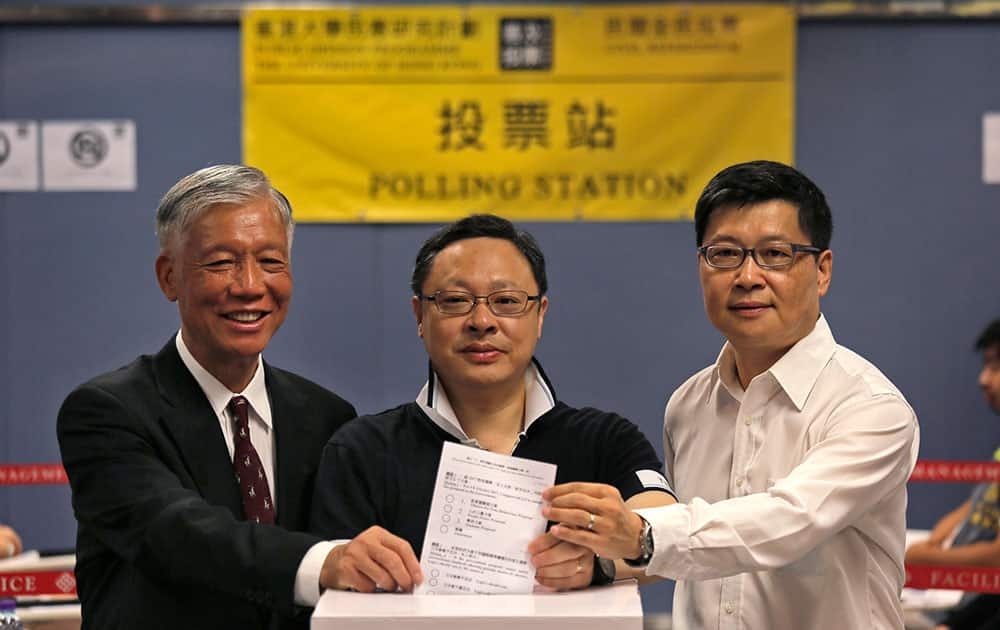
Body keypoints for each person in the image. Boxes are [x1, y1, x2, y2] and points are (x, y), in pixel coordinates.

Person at [543, 160, 920, 629]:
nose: (747, 276)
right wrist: (595, 560)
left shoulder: (870, 409)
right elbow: (690, 555)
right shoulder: (688, 404)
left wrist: (641, 533)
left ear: (822, 271)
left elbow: (788, 522)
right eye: (724, 254)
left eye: (775, 254)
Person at [56, 165, 356, 630]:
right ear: (169, 276)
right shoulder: (107, 413)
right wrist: (323, 563)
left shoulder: (327, 417)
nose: (251, 285)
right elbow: (178, 535)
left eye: (271, 261)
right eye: (221, 263)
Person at [310, 213, 676, 593]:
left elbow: (670, 531)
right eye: (455, 300)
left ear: (539, 315)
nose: (482, 321)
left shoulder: (604, 440)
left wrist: (601, 562)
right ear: (420, 315)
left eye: (506, 301)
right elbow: (332, 583)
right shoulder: (362, 450)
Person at [905, 318, 1000, 630]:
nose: (984, 380)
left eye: (997, 366)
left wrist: (925, 559)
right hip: (953, 603)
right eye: (987, 364)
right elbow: (974, 506)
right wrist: (935, 541)